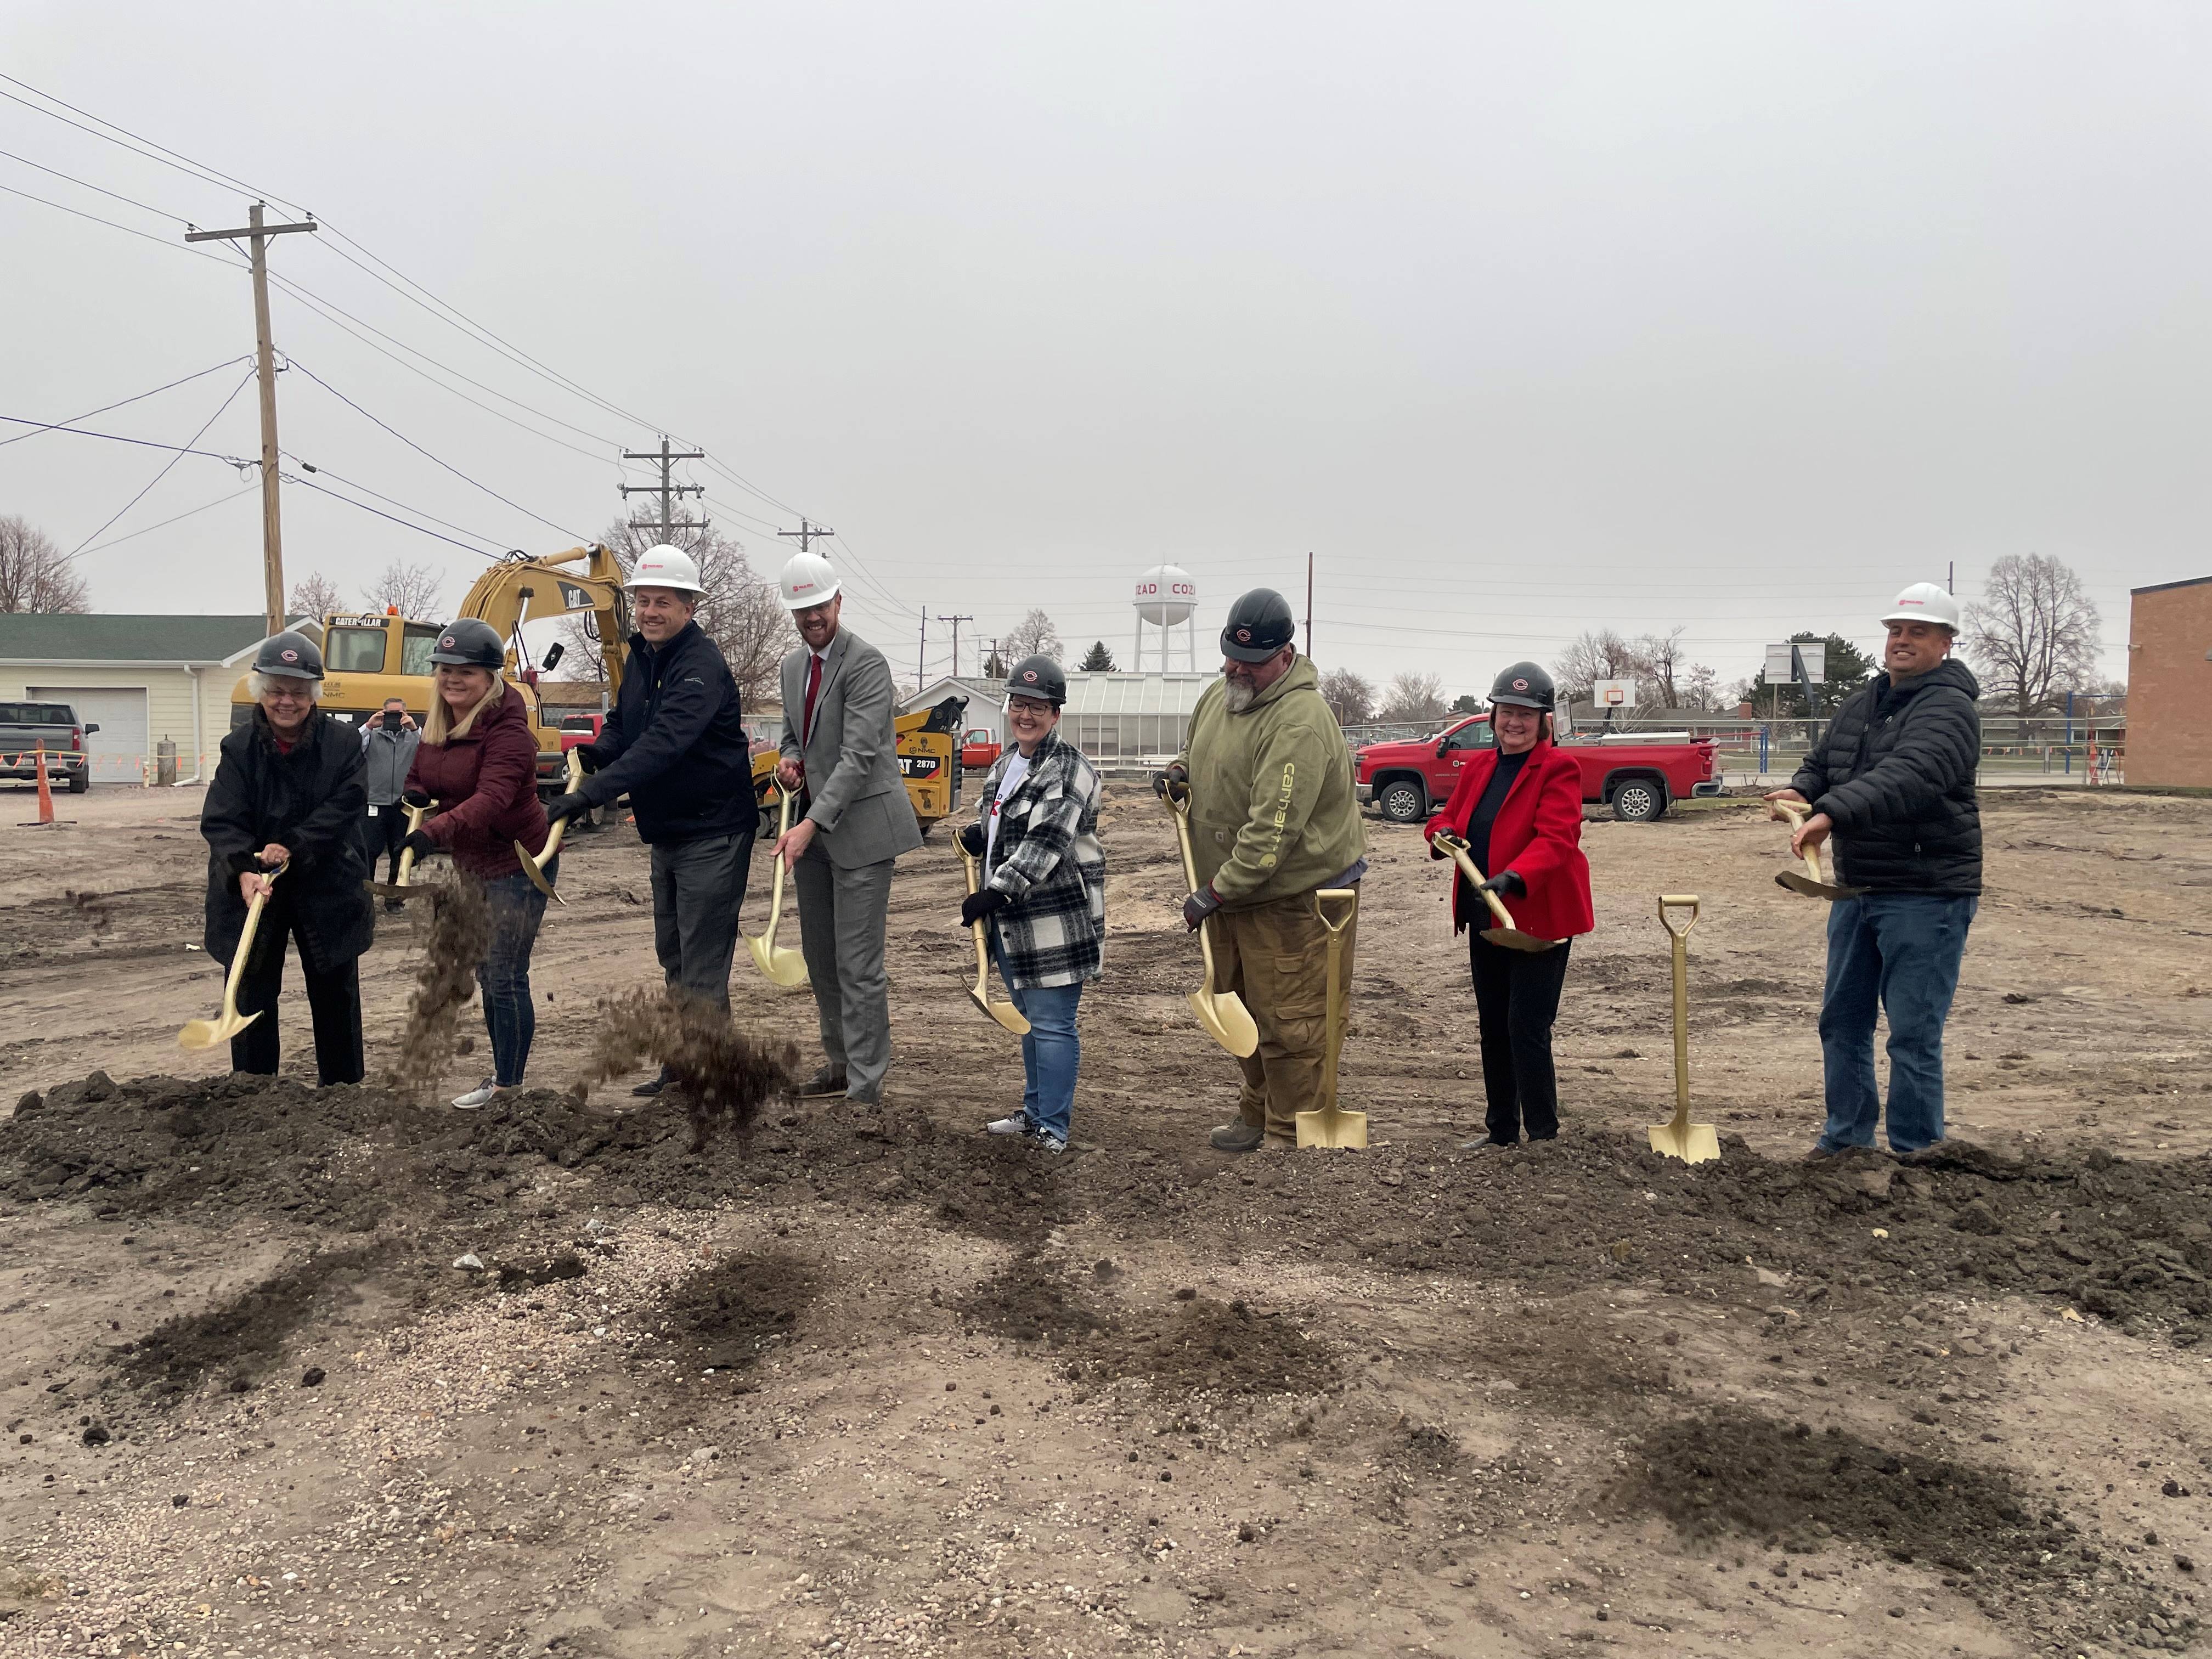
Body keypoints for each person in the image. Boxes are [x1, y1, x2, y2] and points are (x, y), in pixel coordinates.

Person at [1768, 582, 1981, 1158]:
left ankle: (1916, 1153)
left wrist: (1831, 813)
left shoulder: (1949, 710)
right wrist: (1803, 788)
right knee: (1842, 1022)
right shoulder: (1863, 703)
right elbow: (1826, 762)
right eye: (1895, 631)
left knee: (1912, 1034)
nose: (1902, 641)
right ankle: (1846, 1144)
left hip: (1925, 892)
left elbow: (1911, 774)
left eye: (1917, 632)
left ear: (1945, 643)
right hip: (1857, 889)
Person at [1154, 589, 1365, 1153]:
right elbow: (1196, 750)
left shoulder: (1299, 722)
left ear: (1285, 654)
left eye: (1248, 662)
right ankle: (1256, 1111)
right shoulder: (1219, 697)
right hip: (1233, 894)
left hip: (1294, 898)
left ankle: (1290, 1135)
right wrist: (1177, 771)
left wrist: (1217, 890)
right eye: (1230, 656)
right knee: (1240, 1007)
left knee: (1291, 1023)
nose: (1234, 669)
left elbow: (1274, 830)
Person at [546, 545, 759, 1097]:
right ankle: (683, 1063)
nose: (650, 612)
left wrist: (590, 794)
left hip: (713, 831)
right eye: (643, 601)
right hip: (667, 830)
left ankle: (711, 1077)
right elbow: (626, 727)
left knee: (703, 963)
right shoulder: (642, 658)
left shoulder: (700, 668)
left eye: (663, 602)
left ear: (689, 607)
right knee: (674, 954)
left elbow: (663, 745)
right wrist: (598, 752)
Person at [1421, 662, 1595, 1150]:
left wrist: (1515, 878)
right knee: (1494, 1024)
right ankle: (1500, 1132)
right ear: (1492, 714)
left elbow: (1557, 838)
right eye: (1506, 712)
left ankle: (1543, 1135)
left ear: (1544, 722)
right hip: (1486, 916)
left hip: (1537, 917)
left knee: (1527, 1026)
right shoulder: (1479, 766)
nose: (1513, 722)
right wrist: (1441, 836)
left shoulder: (1559, 768)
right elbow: (1448, 820)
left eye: (1525, 714)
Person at [772, 549, 923, 1106]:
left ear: (837, 601)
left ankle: (866, 1084)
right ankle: (839, 1063)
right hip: (814, 830)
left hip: (860, 834)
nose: (811, 617)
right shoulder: (791, 668)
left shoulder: (866, 664)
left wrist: (809, 823)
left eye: (819, 605)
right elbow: (796, 737)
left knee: (858, 964)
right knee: (821, 958)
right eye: (801, 609)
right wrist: (788, 764)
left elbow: (859, 758)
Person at [199, 630, 371, 1086]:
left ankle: (343, 1089)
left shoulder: (343, 744)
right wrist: (241, 869)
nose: (286, 701)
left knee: (335, 991)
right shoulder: (237, 750)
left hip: (326, 880)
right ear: (262, 692)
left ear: (313, 695)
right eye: (277, 690)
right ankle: (255, 1089)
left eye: (297, 691)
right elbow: (223, 818)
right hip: (256, 886)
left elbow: (345, 807)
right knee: (251, 990)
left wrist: (293, 845)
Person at [400, 620, 555, 1110]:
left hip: (521, 862)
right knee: (490, 972)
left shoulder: (510, 733)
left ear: (490, 677)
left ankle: (509, 1086)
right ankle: (504, 1079)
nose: (453, 680)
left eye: (466, 672)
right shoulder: (439, 724)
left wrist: (432, 832)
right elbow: (420, 769)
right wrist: (417, 792)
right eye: (445, 671)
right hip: (474, 863)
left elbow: (491, 799)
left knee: (506, 973)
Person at [958, 656, 1105, 1154]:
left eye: (1037, 706)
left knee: (1052, 1024)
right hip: (1011, 921)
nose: (1026, 714)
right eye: (1019, 704)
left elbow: (1048, 839)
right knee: (1028, 1019)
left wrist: (996, 889)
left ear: (1055, 712)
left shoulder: (1068, 768)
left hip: (1053, 920)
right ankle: (1035, 1110)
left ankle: (1054, 1127)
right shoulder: (1004, 765)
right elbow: (1006, 825)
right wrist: (983, 834)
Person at [359, 696, 420, 911]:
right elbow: (351, 746)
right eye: (390, 714)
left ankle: (394, 900)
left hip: (402, 805)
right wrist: (368, 725)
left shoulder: (414, 738)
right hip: (374, 803)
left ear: (406, 714)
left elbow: (432, 750)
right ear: (382, 714)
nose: (395, 718)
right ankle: (365, 900)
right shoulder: (371, 736)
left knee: (399, 854)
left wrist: (414, 729)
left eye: (399, 714)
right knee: (369, 853)